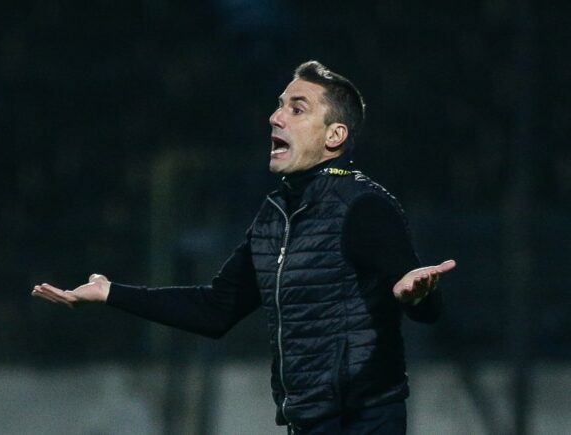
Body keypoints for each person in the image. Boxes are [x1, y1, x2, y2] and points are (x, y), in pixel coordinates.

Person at [32, 60, 456, 434]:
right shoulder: (275, 216)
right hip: (309, 423)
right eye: (279, 105)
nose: (275, 117)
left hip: (363, 421)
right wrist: (111, 293)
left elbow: (426, 307)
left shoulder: (363, 206)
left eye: (296, 109)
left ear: (335, 135)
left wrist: (418, 296)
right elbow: (215, 311)